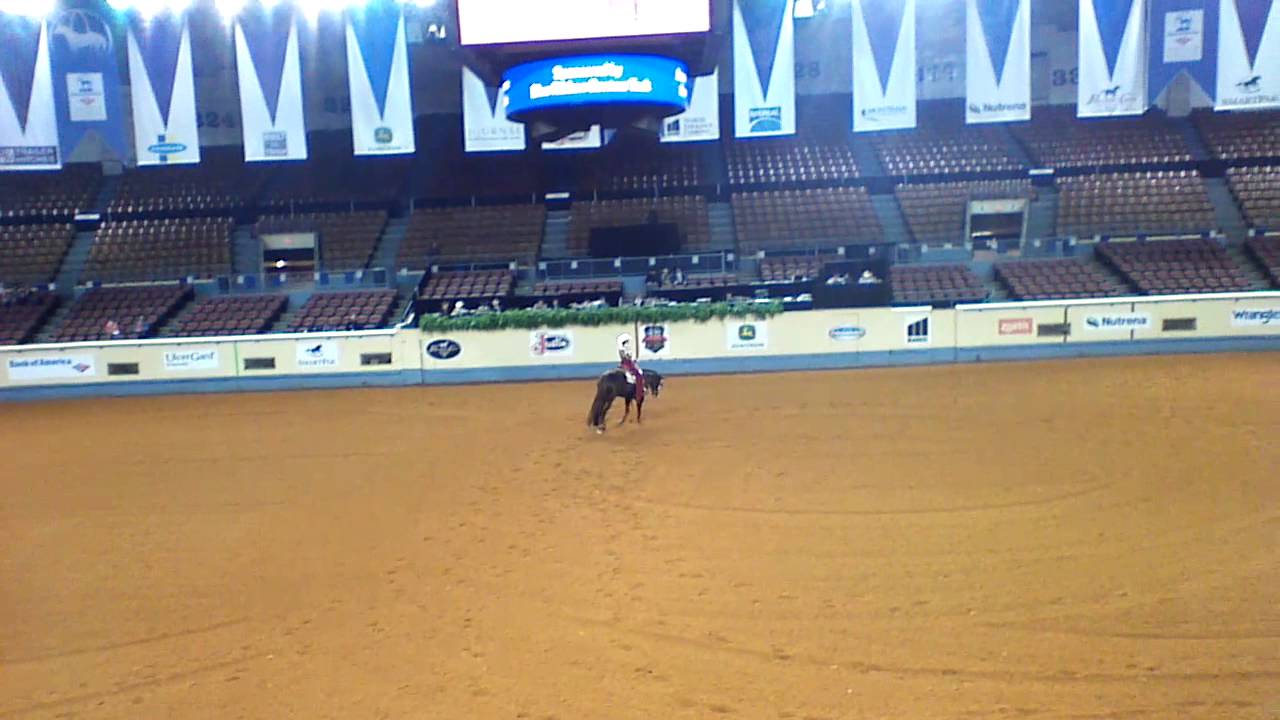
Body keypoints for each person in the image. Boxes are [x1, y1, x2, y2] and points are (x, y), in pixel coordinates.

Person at [616, 333, 645, 403]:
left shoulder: (623, 349)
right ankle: (639, 393)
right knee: (638, 374)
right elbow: (625, 357)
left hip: (628, 362)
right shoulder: (623, 349)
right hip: (627, 363)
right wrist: (629, 357)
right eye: (627, 341)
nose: (628, 343)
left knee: (639, 372)